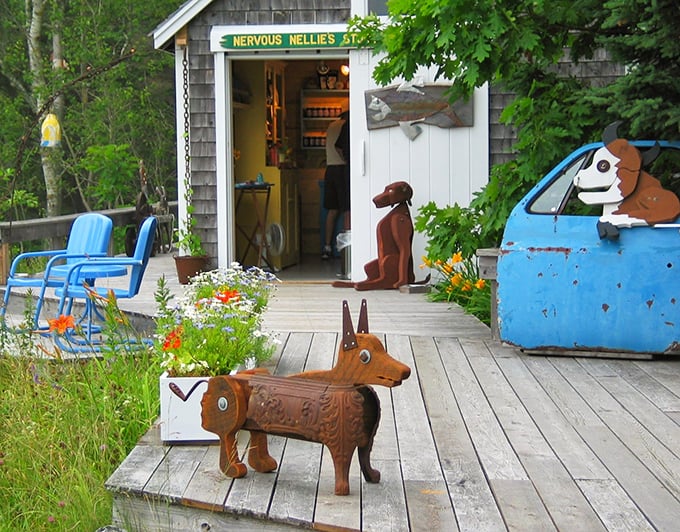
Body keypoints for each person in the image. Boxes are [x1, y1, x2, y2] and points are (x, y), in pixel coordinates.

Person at [322, 110, 350, 259]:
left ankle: (326, 247)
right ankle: (347, 248)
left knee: (332, 211)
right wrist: (346, 161)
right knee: (347, 209)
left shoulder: (331, 125)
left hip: (330, 169)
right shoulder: (346, 125)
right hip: (341, 169)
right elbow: (339, 147)